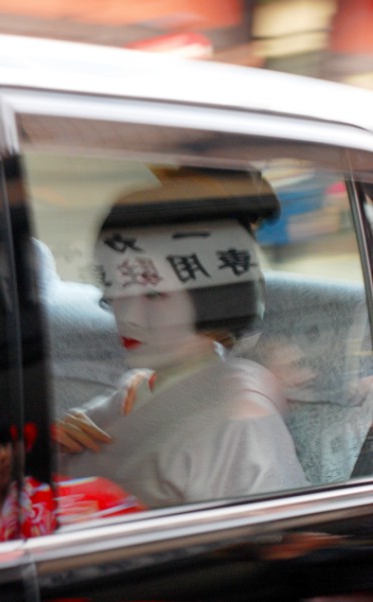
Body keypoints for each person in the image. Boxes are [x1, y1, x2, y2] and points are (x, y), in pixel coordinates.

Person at [55, 167, 308, 508]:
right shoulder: (136, 388)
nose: (126, 316)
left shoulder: (242, 418)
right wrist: (51, 441)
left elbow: (267, 546)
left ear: (212, 295)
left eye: (154, 295)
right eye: (116, 286)